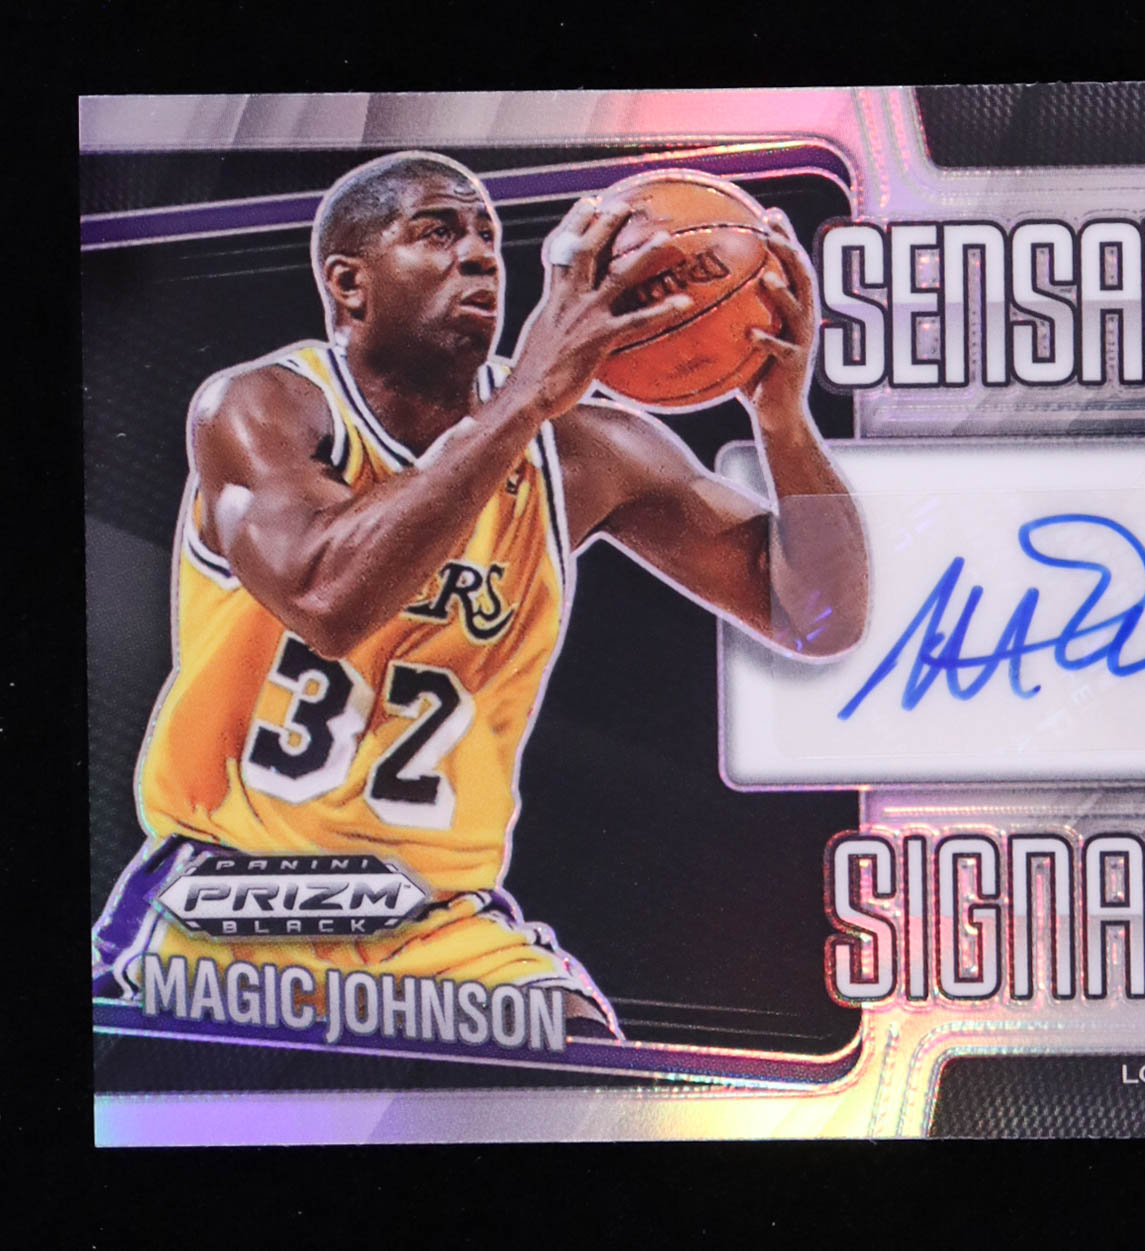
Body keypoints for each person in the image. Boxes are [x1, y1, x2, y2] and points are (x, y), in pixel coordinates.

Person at [91, 152, 869, 1038]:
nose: (478, 255)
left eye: (488, 237)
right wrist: (526, 398)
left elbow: (818, 615)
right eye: (436, 231)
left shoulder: (583, 449)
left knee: (583, 1052)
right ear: (349, 284)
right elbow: (328, 598)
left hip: (435, 917)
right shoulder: (263, 410)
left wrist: (781, 419)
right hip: (235, 896)